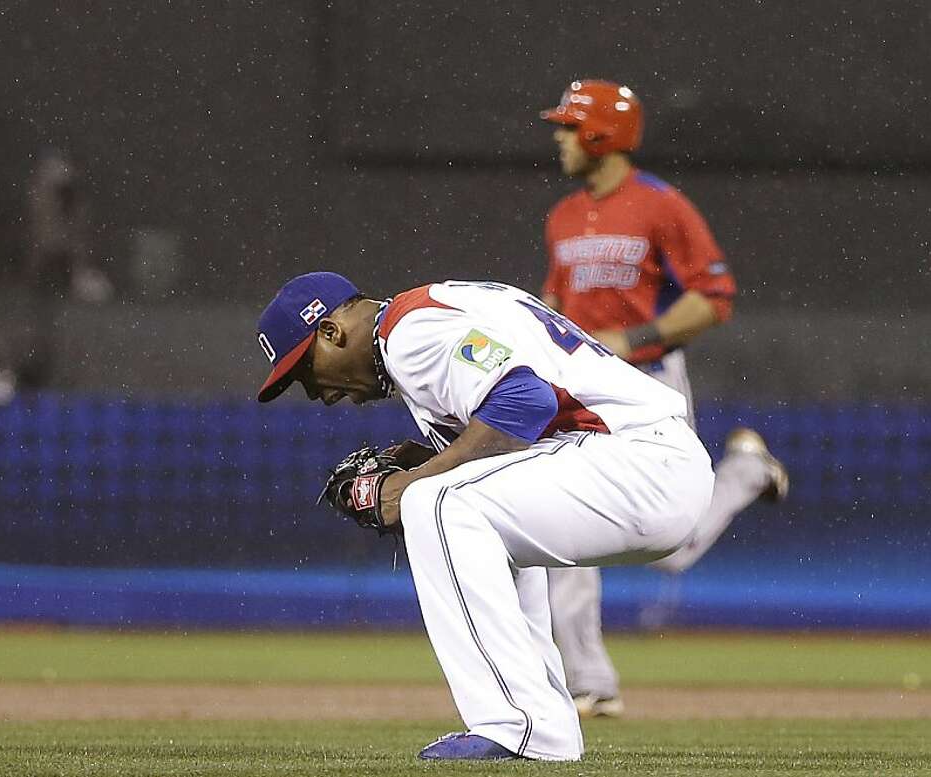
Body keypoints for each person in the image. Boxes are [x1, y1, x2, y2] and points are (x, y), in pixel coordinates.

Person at [255, 273, 717, 761]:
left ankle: (518, 724)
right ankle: (542, 728)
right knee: (464, 511)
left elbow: (524, 401)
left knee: (435, 504)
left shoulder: (410, 333)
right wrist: (421, 463)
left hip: (636, 461)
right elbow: (513, 432)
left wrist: (406, 488)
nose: (318, 395)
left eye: (307, 371)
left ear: (331, 331)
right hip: (645, 464)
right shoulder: (428, 316)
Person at [538, 79, 790, 717]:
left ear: (601, 133)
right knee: (561, 521)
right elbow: (555, 304)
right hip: (581, 388)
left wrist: (635, 337)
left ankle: (745, 472)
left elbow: (715, 297)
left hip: (648, 381)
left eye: (570, 126)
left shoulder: (661, 205)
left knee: (672, 544)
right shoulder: (563, 216)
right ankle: (590, 681)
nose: (560, 137)